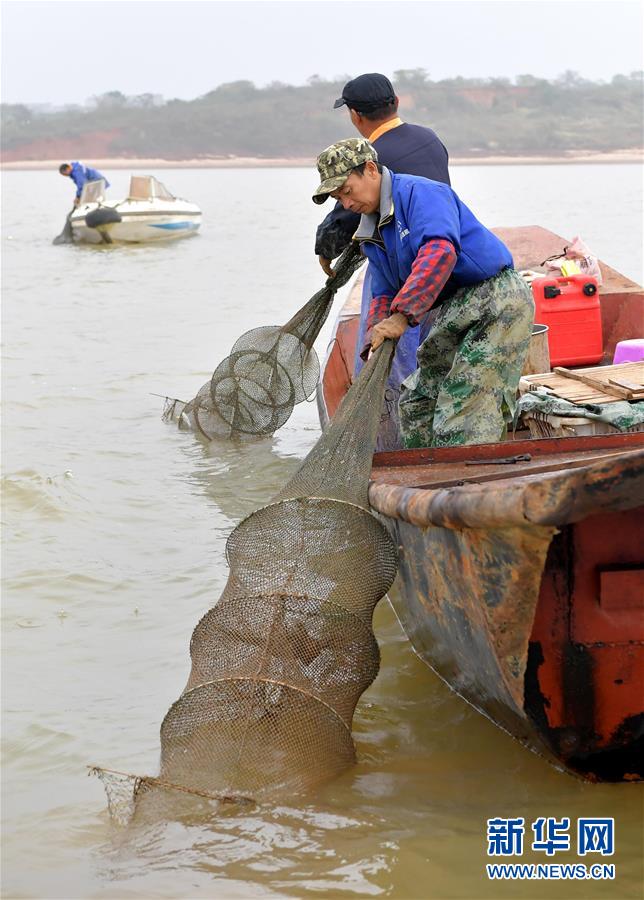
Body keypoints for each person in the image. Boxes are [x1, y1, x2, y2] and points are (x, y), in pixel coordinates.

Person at [312, 139, 534, 449]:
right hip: (454, 306)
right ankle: (425, 470)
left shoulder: (421, 193)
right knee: (418, 403)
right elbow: (384, 290)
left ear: (371, 170)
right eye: (339, 198)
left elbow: (440, 251)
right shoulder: (370, 231)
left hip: (496, 299)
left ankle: (468, 472)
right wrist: (374, 337)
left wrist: (401, 317)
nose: (346, 204)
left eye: (347, 191)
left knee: (463, 409)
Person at [315, 75, 451, 447]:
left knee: (390, 357)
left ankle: (390, 443)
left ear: (355, 116)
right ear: (396, 102)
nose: (346, 198)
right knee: (430, 347)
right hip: (436, 269)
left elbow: (346, 216)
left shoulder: (371, 158)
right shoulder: (429, 139)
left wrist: (325, 248)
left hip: (398, 260)